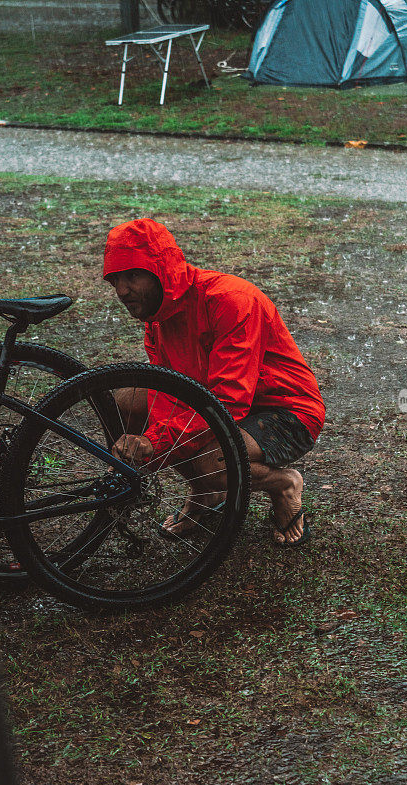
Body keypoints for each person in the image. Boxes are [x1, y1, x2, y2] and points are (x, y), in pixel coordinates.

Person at [103, 218, 325, 546]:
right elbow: (169, 393)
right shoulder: (157, 317)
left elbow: (228, 400)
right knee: (127, 402)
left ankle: (284, 484)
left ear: (161, 270)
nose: (122, 291)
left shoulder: (230, 300)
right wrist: (151, 439)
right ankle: (206, 493)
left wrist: (156, 442)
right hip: (220, 406)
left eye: (133, 276)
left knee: (211, 460)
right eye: (115, 279)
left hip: (286, 410)